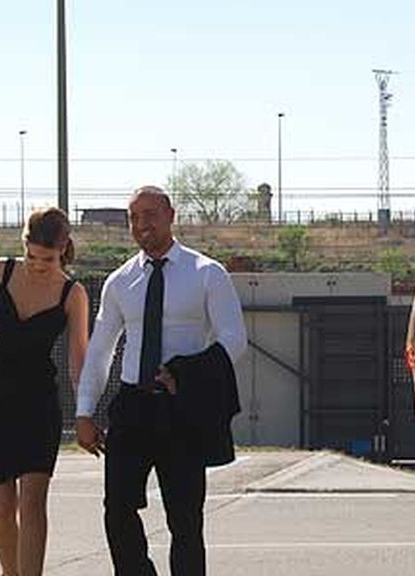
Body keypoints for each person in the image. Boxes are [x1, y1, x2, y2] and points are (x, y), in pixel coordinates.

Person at [75, 185, 247, 576]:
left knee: (185, 520)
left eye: (150, 214)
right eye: (134, 217)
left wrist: (187, 371)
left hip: (181, 410)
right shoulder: (120, 282)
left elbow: (234, 339)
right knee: (117, 509)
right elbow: (101, 349)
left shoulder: (207, 273)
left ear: (171, 215)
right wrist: (84, 412)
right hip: (132, 406)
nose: (142, 224)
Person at [0, 207, 90, 576]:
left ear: (63, 249)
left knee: (32, 504)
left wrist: (85, 411)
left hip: (38, 408)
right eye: (31, 255)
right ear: (23, 244)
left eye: (47, 258)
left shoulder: (73, 294)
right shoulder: (1, 270)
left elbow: (80, 361)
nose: (38, 264)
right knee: (0, 506)